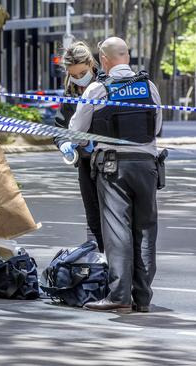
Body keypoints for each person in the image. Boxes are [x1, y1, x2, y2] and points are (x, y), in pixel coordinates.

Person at [69, 37, 162, 313]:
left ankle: (119, 296)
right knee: (145, 231)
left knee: (117, 230)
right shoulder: (150, 87)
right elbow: (155, 126)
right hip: (147, 164)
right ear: (128, 56)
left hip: (113, 167)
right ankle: (142, 298)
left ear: (104, 60)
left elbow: (76, 130)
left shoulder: (98, 89)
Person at [54, 41, 104, 253]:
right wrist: (63, 142)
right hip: (84, 161)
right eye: (73, 75)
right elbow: (60, 125)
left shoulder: (106, 83)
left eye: (82, 73)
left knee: (111, 213)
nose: (78, 78)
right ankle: (97, 261)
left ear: (91, 63)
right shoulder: (70, 91)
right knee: (92, 215)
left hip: (107, 159)